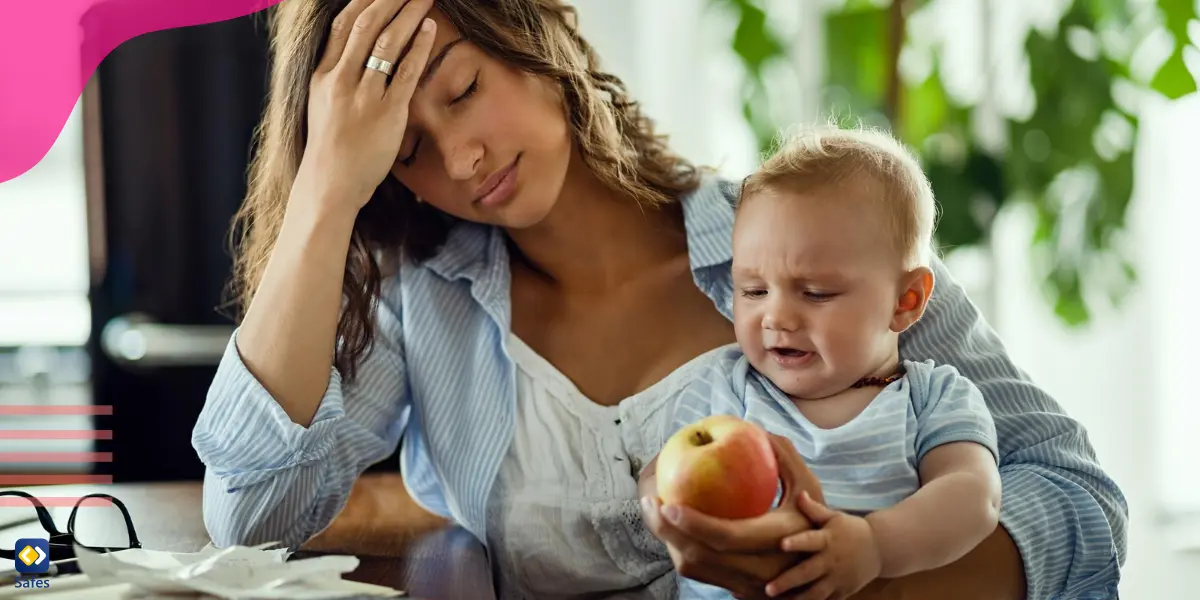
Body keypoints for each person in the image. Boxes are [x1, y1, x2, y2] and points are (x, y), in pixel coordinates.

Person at [189, 0, 1127, 598]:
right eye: (402, 151)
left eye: (465, 90)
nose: (461, 160)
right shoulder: (427, 306)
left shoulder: (813, 252)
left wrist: (849, 570)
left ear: (539, 31)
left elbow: (1081, 508)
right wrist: (322, 192)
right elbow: (251, 515)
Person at [637, 125, 1004, 600]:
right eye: (752, 291)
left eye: (815, 293)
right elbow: (658, 473)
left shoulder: (932, 397)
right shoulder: (726, 387)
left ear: (906, 300)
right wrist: (663, 513)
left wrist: (876, 546)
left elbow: (975, 494)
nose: (777, 316)